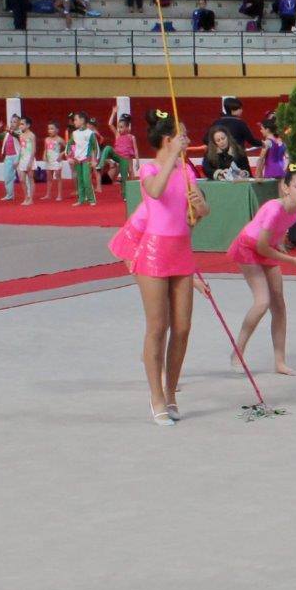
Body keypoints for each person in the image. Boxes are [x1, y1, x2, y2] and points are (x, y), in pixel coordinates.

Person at [107, 110, 210, 426]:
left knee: (183, 327)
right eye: (182, 135)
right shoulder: (150, 168)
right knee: (158, 326)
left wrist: (201, 206)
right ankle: (156, 397)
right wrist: (173, 159)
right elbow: (154, 191)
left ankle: (171, 392)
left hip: (181, 252)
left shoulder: (187, 171)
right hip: (153, 253)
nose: (187, 140)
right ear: (168, 140)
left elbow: (199, 212)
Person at [226, 163, 296, 377]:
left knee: (279, 305)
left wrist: (279, 241)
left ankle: (280, 362)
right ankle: (237, 353)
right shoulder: (273, 209)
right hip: (249, 247)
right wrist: (291, 260)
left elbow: (279, 229)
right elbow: (261, 246)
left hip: (268, 247)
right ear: (285, 187)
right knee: (262, 301)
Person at [66, 111, 99, 206]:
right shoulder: (74, 133)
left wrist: (95, 160)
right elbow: (69, 145)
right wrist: (69, 156)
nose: (74, 122)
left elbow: (95, 147)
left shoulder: (90, 133)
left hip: (86, 160)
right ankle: (81, 199)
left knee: (86, 180)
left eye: (76, 120)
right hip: (77, 160)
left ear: (82, 120)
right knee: (79, 180)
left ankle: (91, 199)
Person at [16, 117, 37, 206]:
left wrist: (30, 162)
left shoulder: (32, 135)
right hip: (22, 159)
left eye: (22, 124)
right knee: (22, 180)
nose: (20, 126)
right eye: (20, 124)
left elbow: (33, 150)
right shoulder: (21, 135)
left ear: (28, 125)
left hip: (29, 159)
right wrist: (18, 160)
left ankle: (31, 199)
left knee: (31, 178)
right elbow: (21, 149)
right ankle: (26, 197)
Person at [0, 116, 20, 201]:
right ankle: (10, 195)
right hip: (8, 157)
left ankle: (28, 195)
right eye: (11, 122)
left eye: (14, 122)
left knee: (23, 177)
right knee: (7, 177)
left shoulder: (20, 132)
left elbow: (16, 135)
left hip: (18, 156)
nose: (12, 123)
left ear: (19, 123)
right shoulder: (7, 133)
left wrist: (9, 131)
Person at [41, 122, 65, 201]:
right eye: (49, 129)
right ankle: (48, 194)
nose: (50, 130)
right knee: (49, 178)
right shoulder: (46, 139)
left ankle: (59, 195)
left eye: (52, 129)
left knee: (58, 177)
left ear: (57, 130)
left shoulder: (59, 139)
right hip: (49, 161)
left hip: (56, 160)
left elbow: (68, 148)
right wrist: (44, 155)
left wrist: (61, 154)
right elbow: (45, 149)